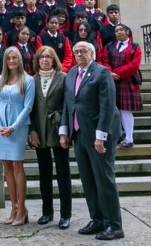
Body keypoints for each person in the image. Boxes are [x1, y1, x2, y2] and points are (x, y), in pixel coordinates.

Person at [60, 41, 124, 241]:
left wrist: (101, 136)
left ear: (92, 53)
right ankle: (97, 219)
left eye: (83, 51)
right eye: (76, 51)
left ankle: (114, 225)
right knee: (88, 179)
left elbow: (107, 106)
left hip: (99, 135)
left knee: (104, 179)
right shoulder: (71, 74)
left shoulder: (102, 73)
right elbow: (68, 103)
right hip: (79, 134)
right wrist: (64, 131)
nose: (79, 54)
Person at [0, 46, 35, 226]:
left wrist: (13, 127)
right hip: (2, 129)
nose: (11, 61)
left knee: (17, 165)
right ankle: (13, 207)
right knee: (6, 166)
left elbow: (28, 107)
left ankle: (22, 208)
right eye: (8, 58)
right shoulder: (0, 79)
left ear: (19, 60)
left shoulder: (28, 80)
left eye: (14, 58)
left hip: (18, 127)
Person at [29, 46, 72, 229]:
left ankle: (65, 215)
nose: (45, 60)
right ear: (37, 60)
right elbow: (29, 108)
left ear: (54, 60)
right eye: (41, 57)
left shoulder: (63, 78)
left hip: (57, 130)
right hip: (40, 132)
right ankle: (47, 212)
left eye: (48, 57)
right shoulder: (33, 80)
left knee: (63, 173)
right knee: (44, 174)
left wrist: (64, 131)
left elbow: (68, 105)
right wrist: (32, 131)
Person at [98, 24, 144, 148]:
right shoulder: (109, 46)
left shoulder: (135, 47)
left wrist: (115, 73)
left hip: (127, 81)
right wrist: (109, 73)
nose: (118, 32)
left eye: (121, 30)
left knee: (125, 110)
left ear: (127, 32)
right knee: (113, 109)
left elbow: (134, 65)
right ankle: (116, 137)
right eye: (116, 31)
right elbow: (104, 61)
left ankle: (129, 138)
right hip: (112, 81)